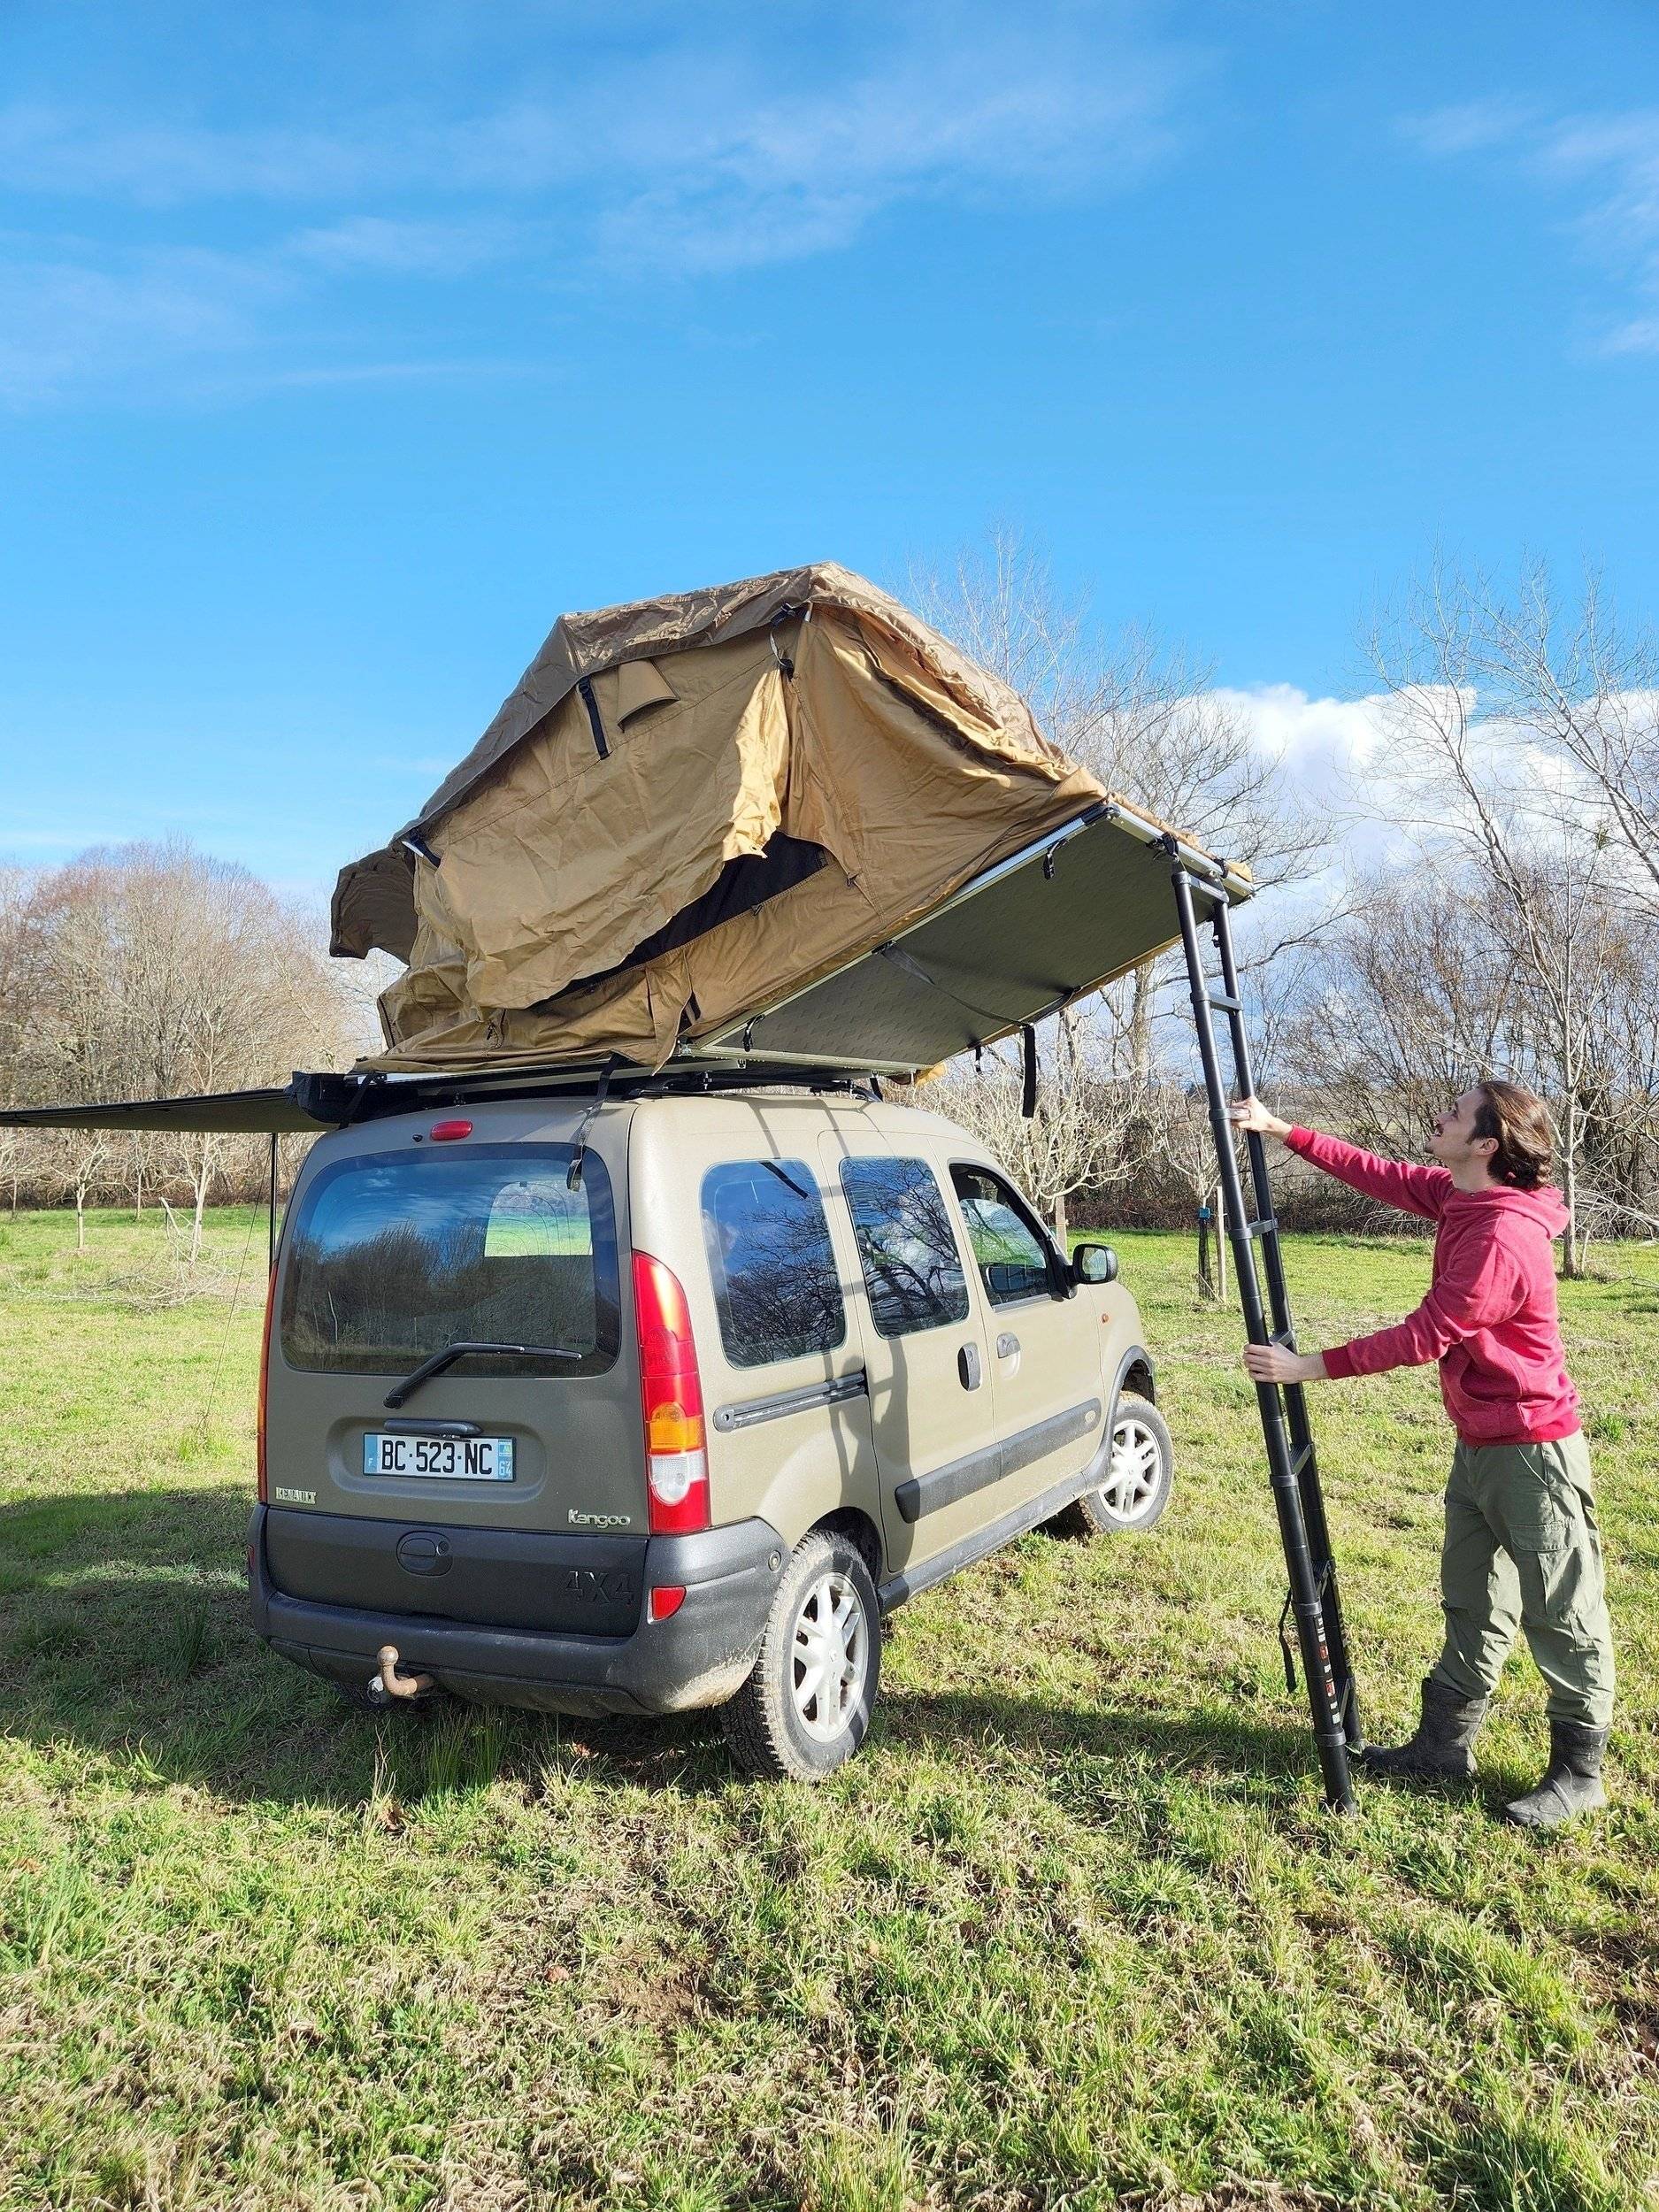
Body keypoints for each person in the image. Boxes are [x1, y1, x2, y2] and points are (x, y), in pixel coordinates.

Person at [1228, 1083, 1614, 1829]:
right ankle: (1442, 1748)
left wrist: (1311, 1366)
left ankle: (1578, 1772)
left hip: (1532, 1451)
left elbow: (1427, 1332)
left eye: (1454, 1114)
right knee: (1471, 1597)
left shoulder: (1503, 1235)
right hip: (1480, 1444)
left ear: (1484, 1145)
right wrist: (1283, 1130)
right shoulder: (1461, 1198)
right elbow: (1386, 1176)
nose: (1437, 1117)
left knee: (1562, 1612)